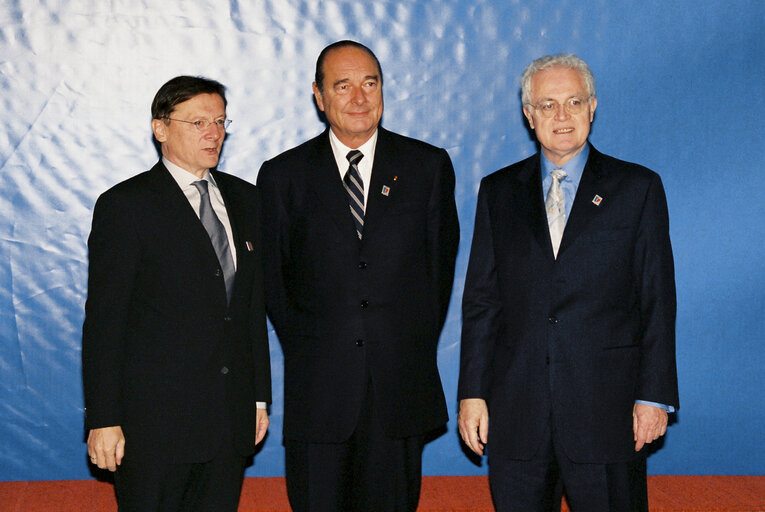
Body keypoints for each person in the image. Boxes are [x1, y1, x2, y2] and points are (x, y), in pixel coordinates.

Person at [458, 54, 678, 512]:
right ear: (528, 114)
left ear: (592, 107)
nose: (561, 116)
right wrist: (472, 394)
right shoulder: (498, 192)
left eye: (573, 102)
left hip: (609, 415)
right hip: (517, 413)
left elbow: (657, 299)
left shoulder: (637, 188)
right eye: (548, 105)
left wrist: (654, 395)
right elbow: (482, 301)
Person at [257, 40, 460, 512]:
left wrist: (396, 344)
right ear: (318, 95)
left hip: (399, 392)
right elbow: (274, 284)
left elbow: (437, 277)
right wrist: (317, 346)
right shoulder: (283, 176)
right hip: (319, 393)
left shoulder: (427, 167)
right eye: (342, 85)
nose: (359, 97)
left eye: (370, 83)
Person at [82, 75, 271, 512]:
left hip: (229, 418)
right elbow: (106, 322)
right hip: (153, 427)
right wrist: (104, 419)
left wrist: (258, 395)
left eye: (221, 122)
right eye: (198, 122)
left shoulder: (246, 200)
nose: (213, 133)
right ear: (160, 128)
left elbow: (249, 309)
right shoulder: (126, 206)